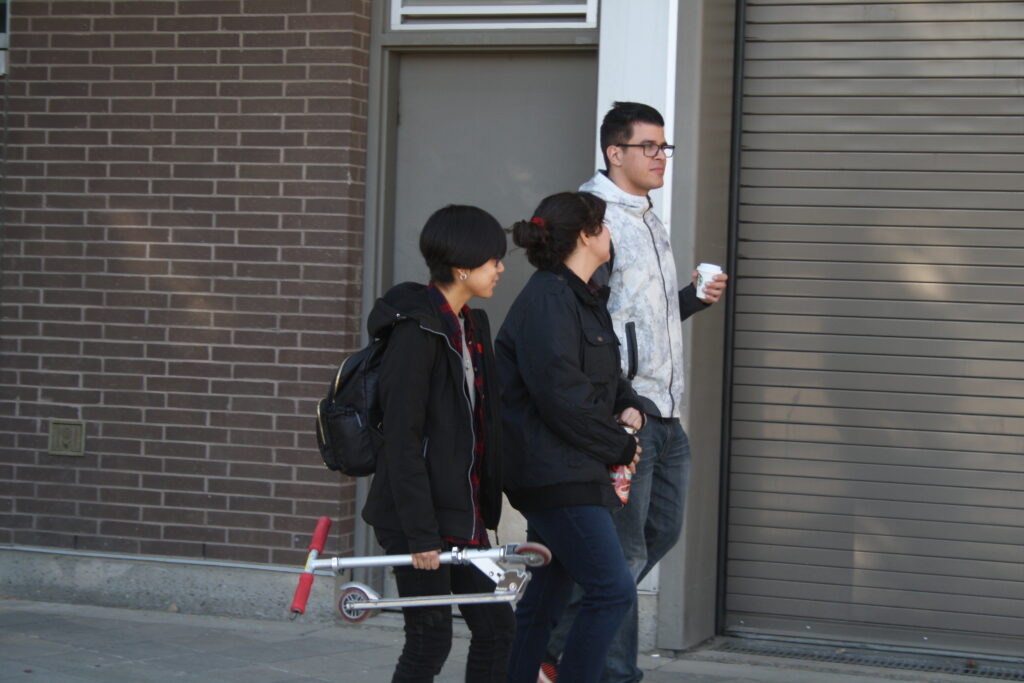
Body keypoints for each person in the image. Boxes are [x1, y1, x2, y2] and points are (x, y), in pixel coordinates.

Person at [543, 102, 729, 683]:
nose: (660, 157)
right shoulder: (592, 219)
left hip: (666, 411)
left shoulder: (646, 215)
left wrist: (692, 299)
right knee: (622, 557)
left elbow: (637, 318)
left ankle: (553, 642)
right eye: (649, 147)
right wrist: (617, 406)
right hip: (627, 414)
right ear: (613, 152)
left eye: (664, 147)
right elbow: (586, 323)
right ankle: (611, 674)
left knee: (656, 537)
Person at [361, 204, 514, 682]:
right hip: (418, 518)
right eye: (494, 260)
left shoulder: (472, 326)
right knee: (430, 638)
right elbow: (401, 440)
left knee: (497, 629)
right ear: (462, 266)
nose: (501, 269)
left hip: (461, 514)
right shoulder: (417, 331)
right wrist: (422, 536)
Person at [497, 191, 645, 683]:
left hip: (569, 469)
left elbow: (602, 377)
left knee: (545, 601)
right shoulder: (548, 300)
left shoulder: (583, 294)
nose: (610, 235)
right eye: (603, 225)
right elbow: (562, 397)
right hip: (556, 473)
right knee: (612, 590)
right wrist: (619, 445)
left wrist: (628, 404)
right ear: (585, 235)